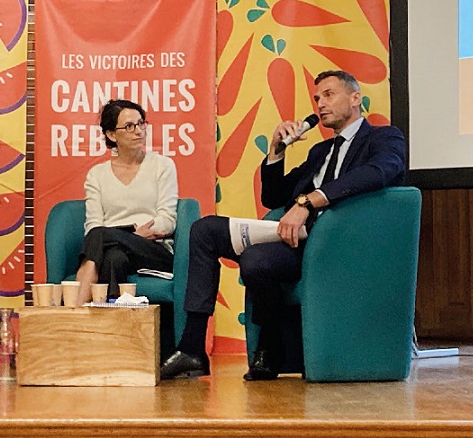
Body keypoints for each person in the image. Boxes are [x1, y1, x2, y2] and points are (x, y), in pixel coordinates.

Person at [160, 70, 406, 381]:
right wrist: (276, 151)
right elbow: (274, 197)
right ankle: (192, 348)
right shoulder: (321, 152)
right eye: (317, 98)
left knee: (256, 260)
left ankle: (270, 345)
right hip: (296, 242)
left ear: (355, 98)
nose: (320, 104)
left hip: (337, 246)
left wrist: (308, 202)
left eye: (329, 95)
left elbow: (380, 172)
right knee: (205, 229)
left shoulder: (383, 138)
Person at [75, 99, 178, 306]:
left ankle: (74, 309)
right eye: (129, 126)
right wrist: (128, 237)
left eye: (141, 124)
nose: (138, 131)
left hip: (153, 248)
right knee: (114, 257)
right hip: (113, 250)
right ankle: (114, 322)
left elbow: (168, 221)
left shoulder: (162, 165)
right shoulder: (97, 175)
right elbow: (93, 224)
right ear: (111, 135)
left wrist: (133, 237)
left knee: (100, 236)